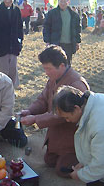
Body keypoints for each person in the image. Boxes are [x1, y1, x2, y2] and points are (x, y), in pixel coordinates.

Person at [20, 46, 89, 177]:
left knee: (62, 169)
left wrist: (35, 119)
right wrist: (30, 111)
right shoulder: (53, 78)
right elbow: (43, 99)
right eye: (44, 68)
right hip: (56, 134)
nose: (46, 72)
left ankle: (81, 158)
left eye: (48, 68)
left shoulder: (77, 84)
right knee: (49, 161)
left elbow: (62, 115)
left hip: (71, 137)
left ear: (62, 65)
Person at [0, 0, 23, 89]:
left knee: (12, 70)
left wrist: (20, 41)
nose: (8, 0)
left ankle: (11, 90)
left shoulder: (16, 10)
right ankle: (0, 90)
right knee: (0, 71)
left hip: (13, 45)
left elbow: (20, 28)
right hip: (0, 45)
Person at [43, 0, 81, 66]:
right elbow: (46, 27)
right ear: (58, 1)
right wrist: (47, 41)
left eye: (64, 1)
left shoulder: (74, 15)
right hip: (56, 43)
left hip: (69, 44)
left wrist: (77, 42)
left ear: (68, 2)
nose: (62, 3)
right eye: (61, 1)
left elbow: (77, 29)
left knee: (67, 64)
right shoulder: (52, 13)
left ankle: (66, 77)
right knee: (56, 64)